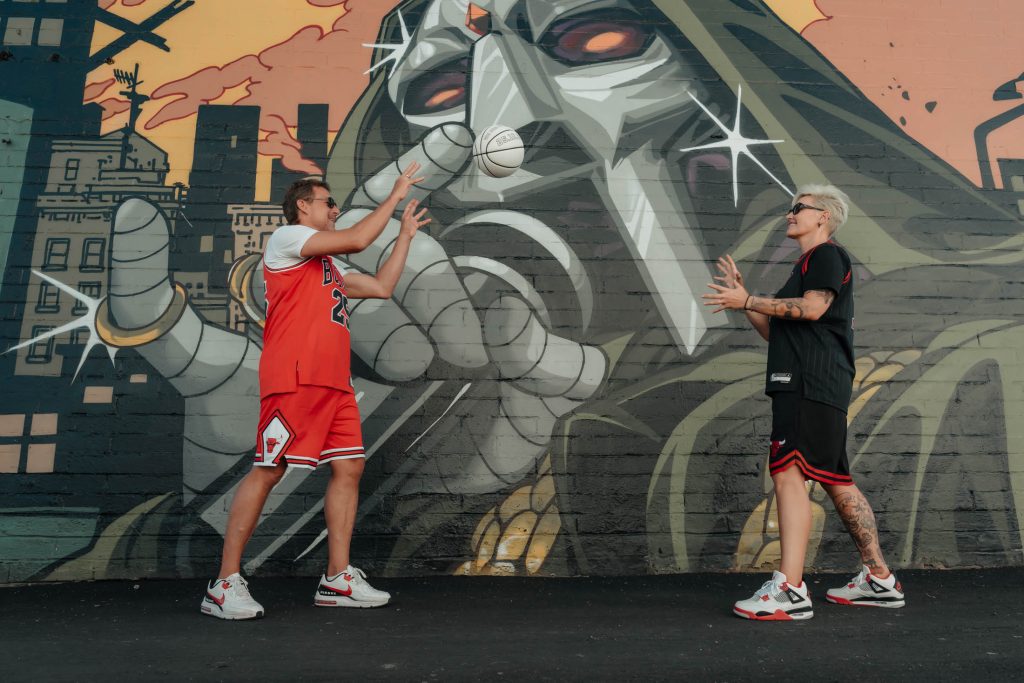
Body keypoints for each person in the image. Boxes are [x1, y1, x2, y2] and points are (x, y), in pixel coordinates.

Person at [201, 165, 430, 619]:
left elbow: (382, 287)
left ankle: (337, 579)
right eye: (328, 202)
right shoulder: (286, 239)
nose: (335, 209)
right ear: (304, 205)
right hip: (295, 377)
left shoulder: (328, 265)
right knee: (269, 470)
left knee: (349, 468)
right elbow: (359, 239)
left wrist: (404, 234)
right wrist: (395, 195)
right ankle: (224, 584)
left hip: (334, 384)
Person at [704, 184, 905, 621]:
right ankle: (879, 579)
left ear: (823, 217)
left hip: (808, 384)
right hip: (817, 382)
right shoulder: (808, 264)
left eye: (799, 208)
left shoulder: (826, 256)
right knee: (834, 478)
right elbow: (779, 332)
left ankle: (791, 591)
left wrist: (751, 299)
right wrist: (746, 304)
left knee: (788, 475)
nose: (790, 214)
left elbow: (812, 309)